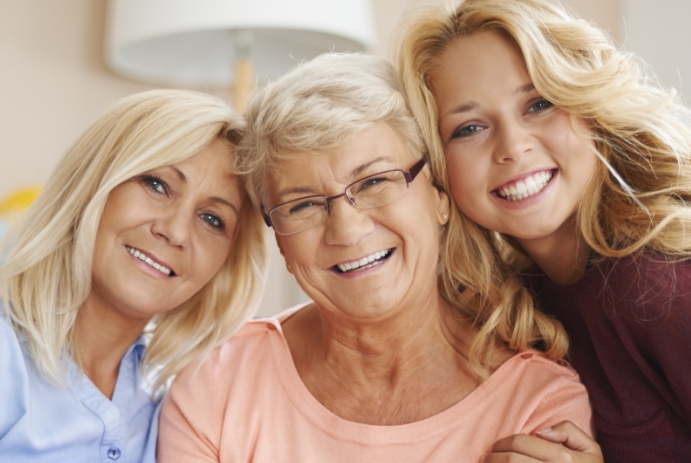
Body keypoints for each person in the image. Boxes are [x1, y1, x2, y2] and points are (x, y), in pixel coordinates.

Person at [157, 53, 592, 463]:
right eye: (302, 205)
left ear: (439, 196)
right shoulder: (215, 383)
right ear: (282, 246)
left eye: (374, 182)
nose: (346, 230)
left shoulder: (538, 405)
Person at [396, 0, 691, 461]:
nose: (513, 146)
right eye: (469, 128)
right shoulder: (517, 300)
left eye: (538, 104)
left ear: (588, 108)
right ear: (437, 168)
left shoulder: (663, 285)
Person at [0, 89, 266, 463]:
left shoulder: (180, 398)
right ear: (94, 181)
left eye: (212, 219)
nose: (175, 231)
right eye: (156, 185)